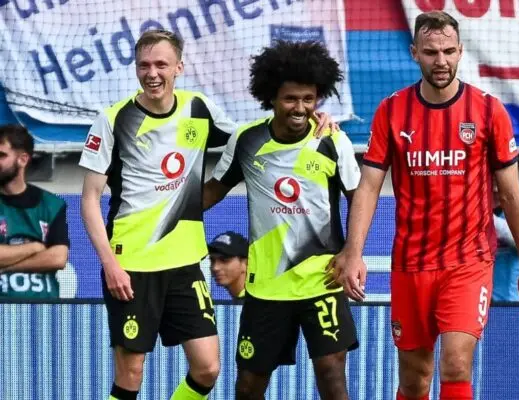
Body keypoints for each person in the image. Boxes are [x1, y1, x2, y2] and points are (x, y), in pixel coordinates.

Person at [79, 29, 335, 400]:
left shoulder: (198, 108)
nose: (153, 73)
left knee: (208, 368)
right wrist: (109, 264)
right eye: (144, 65)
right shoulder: (114, 119)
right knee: (131, 372)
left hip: (185, 263)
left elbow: (254, 137)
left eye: (162, 64)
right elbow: (89, 200)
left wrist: (311, 119)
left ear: (179, 67)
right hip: (131, 264)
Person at [329, 11, 519, 400]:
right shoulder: (392, 111)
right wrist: (354, 251)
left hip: (468, 261)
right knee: (415, 378)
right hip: (411, 264)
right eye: (430, 52)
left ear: (460, 51)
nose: (440, 61)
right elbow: (369, 186)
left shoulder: (488, 111)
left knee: (456, 363)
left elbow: (512, 194)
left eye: (448, 51)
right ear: (415, 53)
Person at [203, 40, 360, 400]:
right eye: (290, 99)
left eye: (308, 99)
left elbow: (360, 200)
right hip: (267, 288)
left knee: (331, 373)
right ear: (271, 97)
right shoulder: (247, 140)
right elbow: (212, 191)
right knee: (249, 385)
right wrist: (163, 208)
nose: (300, 108)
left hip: (321, 281)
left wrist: (352, 252)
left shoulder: (333, 141)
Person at [0, 124, 69, 299]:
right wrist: (34, 247)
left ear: (22, 159)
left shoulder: (52, 205)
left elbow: (58, 258)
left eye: (2, 155)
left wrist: (8, 266)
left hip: (42, 309)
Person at [208, 231, 248, 299]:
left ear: (245, 264)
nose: (215, 268)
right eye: (212, 260)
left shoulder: (254, 302)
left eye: (224, 260)